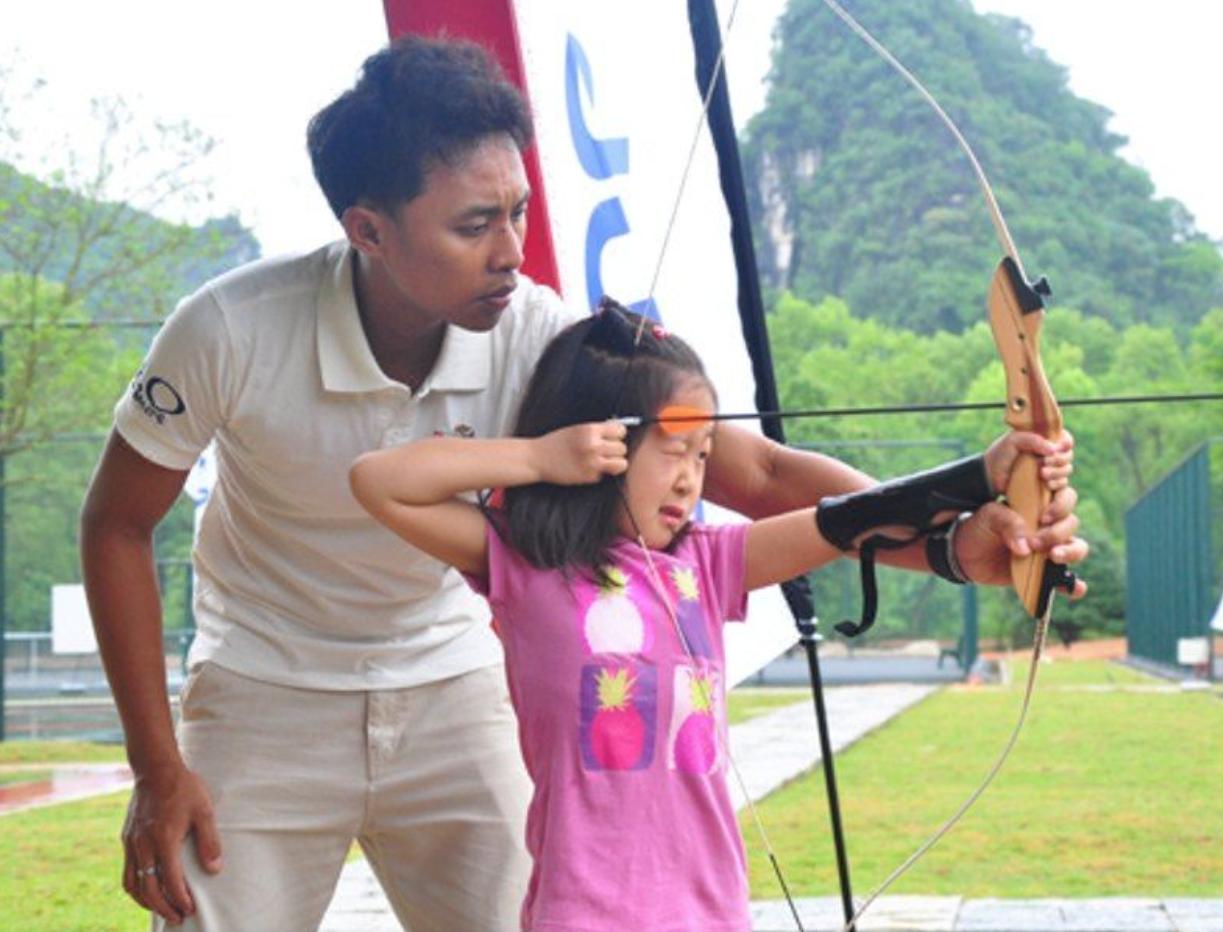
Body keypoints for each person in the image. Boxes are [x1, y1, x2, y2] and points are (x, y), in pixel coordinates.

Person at [79, 35, 1086, 932]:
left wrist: (963, 538)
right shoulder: (227, 327)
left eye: (520, 211)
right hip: (266, 685)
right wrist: (157, 767)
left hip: (456, 676)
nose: (513, 252)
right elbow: (116, 526)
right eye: (475, 224)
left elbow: (764, 478)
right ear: (370, 229)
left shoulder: (538, 331)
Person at [347, 304, 1073, 931]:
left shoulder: (707, 563)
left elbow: (842, 523)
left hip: (711, 911)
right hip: (582, 914)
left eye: (702, 452)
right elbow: (378, 483)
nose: (693, 475)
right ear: (601, 444)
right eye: (673, 448)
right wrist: (538, 457)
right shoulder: (528, 567)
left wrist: (980, 476)